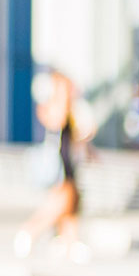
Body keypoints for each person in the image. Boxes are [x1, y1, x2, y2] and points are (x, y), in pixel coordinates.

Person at [16, 69, 90, 261]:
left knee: (71, 204)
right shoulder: (52, 106)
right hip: (58, 164)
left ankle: (68, 242)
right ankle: (29, 232)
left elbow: (80, 134)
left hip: (68, 162)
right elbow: (57, 123)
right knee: (58, 205)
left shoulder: (68, 107)